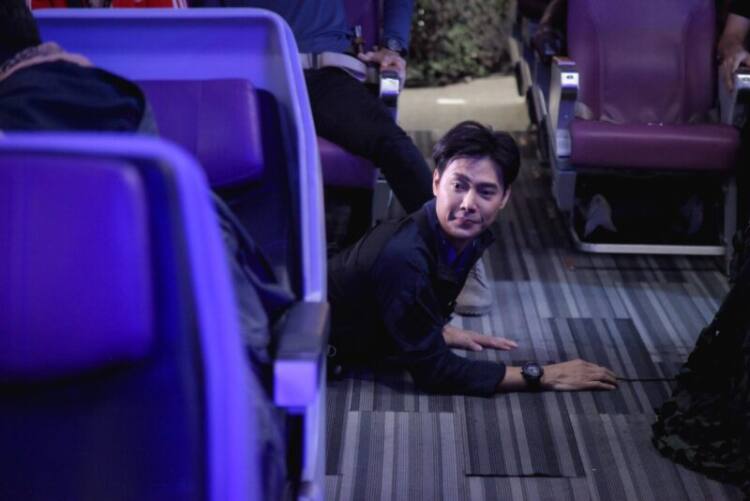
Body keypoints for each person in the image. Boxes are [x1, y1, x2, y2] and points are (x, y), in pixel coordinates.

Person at [327, 121, 618, 396]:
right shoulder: (403, 255)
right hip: (324, 353)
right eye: (459, 186)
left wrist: (431, 329)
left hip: (374, 335)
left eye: (485, 192)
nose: (468, 204)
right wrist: (541, 375)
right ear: (436, 182)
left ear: (504, 197)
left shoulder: (463, 235)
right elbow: (434, 372)